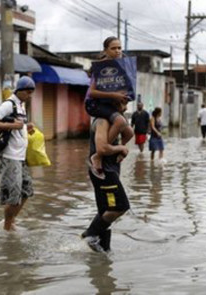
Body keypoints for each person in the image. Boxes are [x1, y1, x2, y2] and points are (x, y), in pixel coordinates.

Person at [0, 76, 36, 231]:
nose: (30, 95)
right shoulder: (9, 104)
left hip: (20, 157)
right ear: (19, 91)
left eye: (32, 92)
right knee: (13, 197)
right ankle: (8, 227)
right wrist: (13, 125)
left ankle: (10, 221)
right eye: (28, 92)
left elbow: (17, 127)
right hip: (10, 156)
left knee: (27, 191)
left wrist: (25, 128)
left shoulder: (21, 106)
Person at [85, 36, 134, 179]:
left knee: (129, 132)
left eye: (119, 48)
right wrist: (114, 95)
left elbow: (125, 91)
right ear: (106, 50)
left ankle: (117, 151)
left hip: (111, 105)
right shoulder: (101, 68)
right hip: (95, 104)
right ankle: (98, 156)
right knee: (120, 122)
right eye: (113, 48)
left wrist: (123, 101)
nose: (117, 51)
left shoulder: (123, 68)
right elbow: (92, 92)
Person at [81, 118, 130, 253]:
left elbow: (129, 132)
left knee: (105, 210)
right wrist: (121, 147)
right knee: (120, 207)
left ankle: (103, 253)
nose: (125, 105)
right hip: (103, 172)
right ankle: (90, 234)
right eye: (123, 101)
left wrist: (122, 147)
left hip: (108, 170)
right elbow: (102, 148)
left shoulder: (114, 120)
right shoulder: (103, 121)